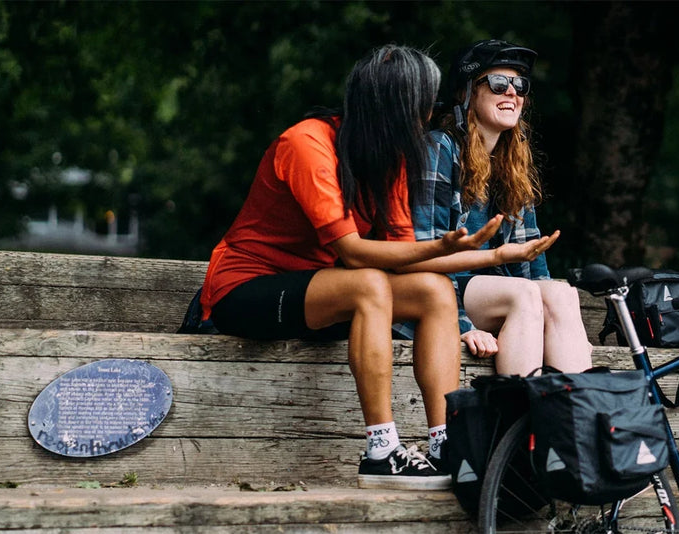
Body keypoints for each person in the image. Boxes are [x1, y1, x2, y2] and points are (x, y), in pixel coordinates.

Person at [200, 44, 504, 491]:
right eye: (425, 106)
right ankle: (381, 450)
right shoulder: (306, 143)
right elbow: (356, 252)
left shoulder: (393, 160)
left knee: (434, 290)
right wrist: (444, 244)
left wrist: (495, 256)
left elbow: (406, 257)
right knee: (368, 285)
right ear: (397, 106)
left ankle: (445, 443)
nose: (429, 118)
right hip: (246, 289)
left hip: (325, 295)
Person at [403, 39, 592, 386]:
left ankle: (575, 427)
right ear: (467, 93)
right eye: (498, 83)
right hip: (432, 295)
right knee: (524, 293)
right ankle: (514, 424)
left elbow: (531, 263)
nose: (512, 93)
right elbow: (421, 252)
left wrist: (557, 313)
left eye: (520, 85)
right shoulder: (438, 149)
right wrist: (459, 325)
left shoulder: (511, 162)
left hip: (489, 295)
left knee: (561, 293)